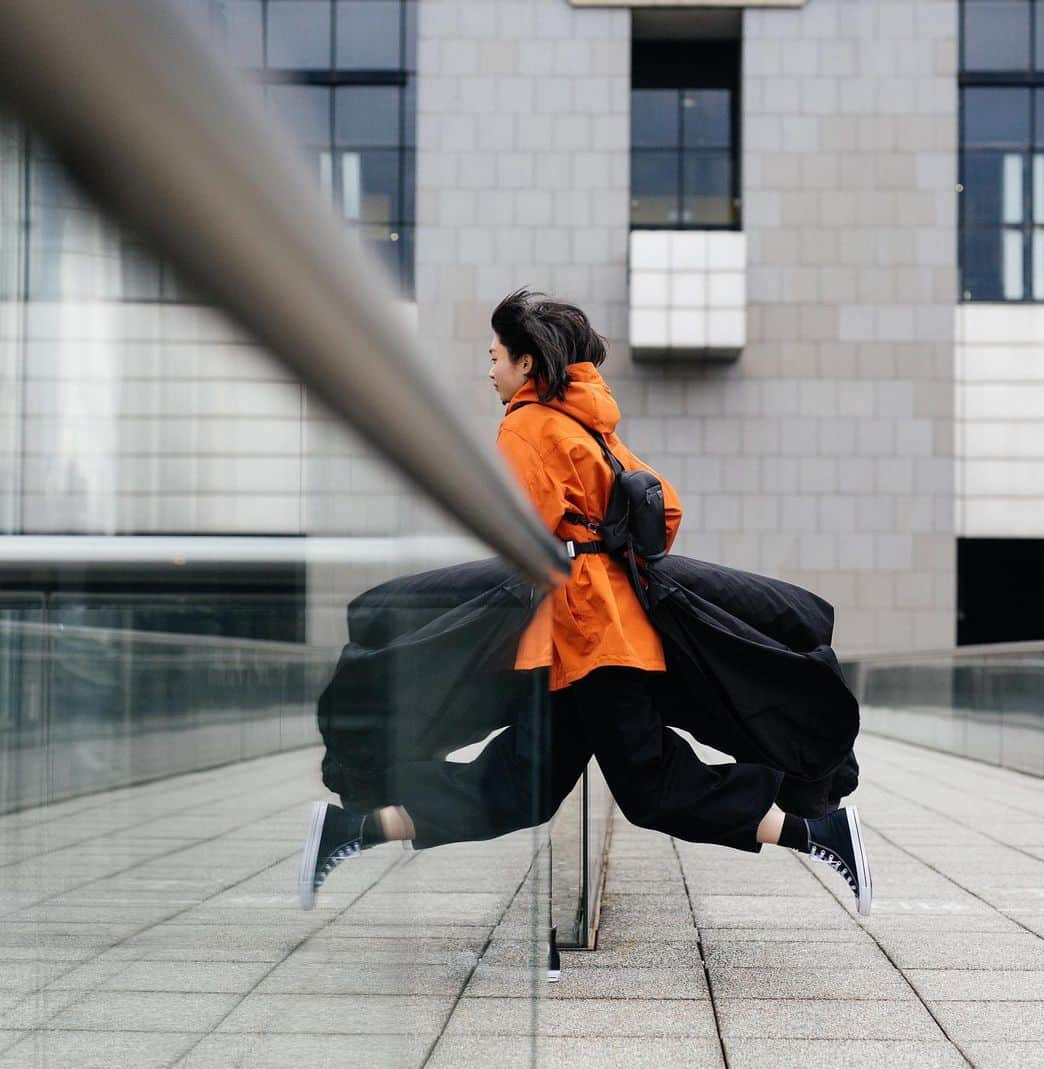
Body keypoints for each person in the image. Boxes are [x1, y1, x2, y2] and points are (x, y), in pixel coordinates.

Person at [299, 289, 871, 917]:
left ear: (526, 365)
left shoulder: (526, 425)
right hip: (604, 630)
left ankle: (819, 834)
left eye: (494, 356)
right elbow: (666, 508)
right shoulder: (591, 424)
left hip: (585, 635)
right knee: (525, 783)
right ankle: (349, 832)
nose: (488, 369)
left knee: (641, 786)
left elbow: (519, 529)